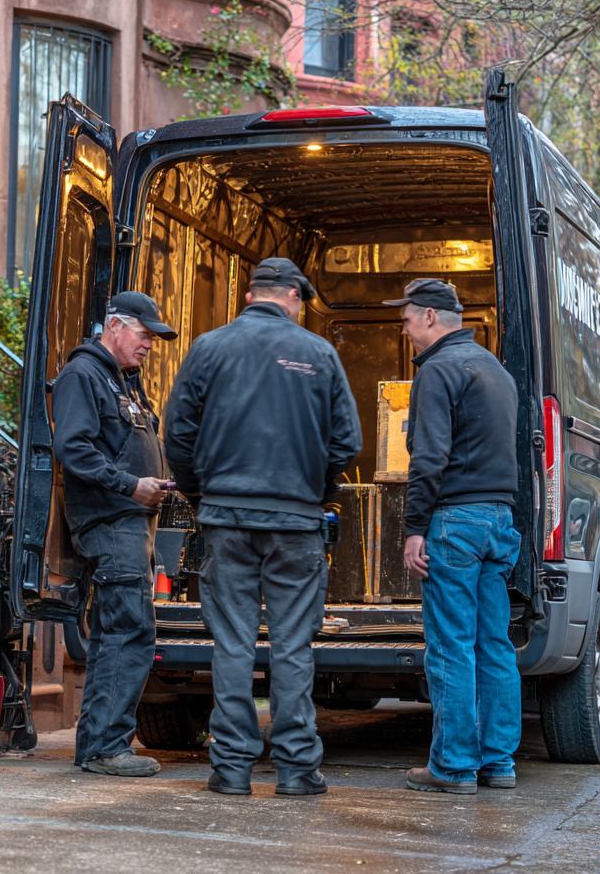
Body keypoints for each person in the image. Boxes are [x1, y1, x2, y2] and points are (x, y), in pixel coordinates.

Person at [163, 257, 361, 797]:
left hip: (225, 518)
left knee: (231, 643)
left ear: (250, 296)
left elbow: (177, 431)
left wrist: (200, 490)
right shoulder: (318, 354)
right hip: (296, 522)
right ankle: (297, 769)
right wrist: (316, 493)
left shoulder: (209, 347)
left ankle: (231, 770)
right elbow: (347, 442)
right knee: (294, 644)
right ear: (294, 297)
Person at [382, 278, 521, 795]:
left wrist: (414, 529)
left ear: (431, 319)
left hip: (454, 523)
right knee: (494, 645)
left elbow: (429, 458)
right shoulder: (496, 371)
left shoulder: (439, 370)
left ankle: (454, 767)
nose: (404, 325)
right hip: (498, 522)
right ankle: (498, 763)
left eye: (407, 317)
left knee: (451, 647)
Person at [51, 291, 177, 777]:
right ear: (116, 326)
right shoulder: (84, 374)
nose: (149, 344)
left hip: (128, 522)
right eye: (144, 334)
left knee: (117, 633)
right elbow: (74, 450)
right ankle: (107, 748)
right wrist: (130, 485)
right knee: (128, 631)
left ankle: (98, 746)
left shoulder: (120, 379)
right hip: (111, 521)